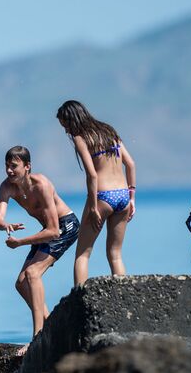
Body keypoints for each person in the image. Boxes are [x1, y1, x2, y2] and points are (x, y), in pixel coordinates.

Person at [0, 146, 79, 352]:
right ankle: (51, 327)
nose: (9, 171)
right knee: (21, 284)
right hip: (48, 230)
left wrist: (20, 242)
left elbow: (54, 231)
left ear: (27, 166)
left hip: (64, 226)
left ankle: (37, 337)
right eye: (7, 166)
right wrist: (4, 225)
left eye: (14, 166)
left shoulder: (42, 185)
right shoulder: (7, 187)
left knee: (32, 274)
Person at [56, 101, 136, 286]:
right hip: (123, 196)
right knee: (115, 254)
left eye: (66, 125)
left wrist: (93, 206)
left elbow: (92, 175)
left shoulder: (81, 138)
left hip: (102, 197)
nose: (67, 131)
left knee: (82, 254)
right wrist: (132, 198)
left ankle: (79, 301)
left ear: (73, 120)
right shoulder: (109, 131)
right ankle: (122, 297)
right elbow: (130, 164)